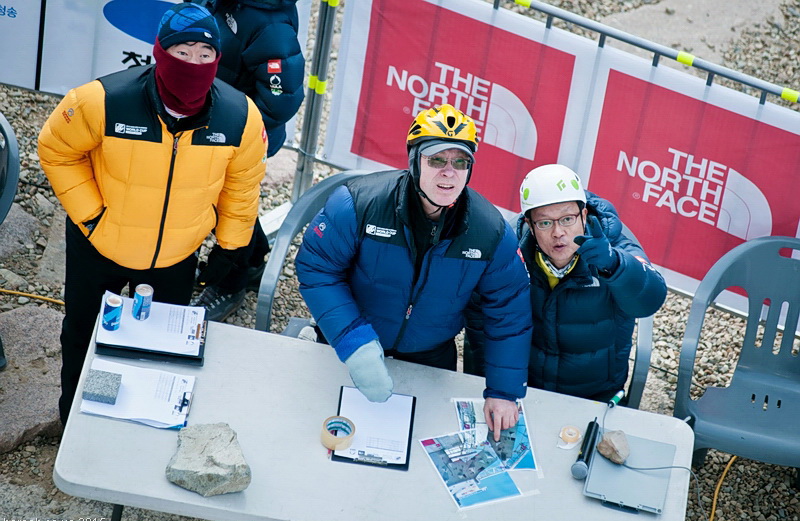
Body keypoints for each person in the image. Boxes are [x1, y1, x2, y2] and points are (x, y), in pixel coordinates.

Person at [38, 2, 267, 424]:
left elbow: (242, 184)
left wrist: (231, 247)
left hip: (175, 258)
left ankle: (139, 422)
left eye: (205, 54)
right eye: (183, 52)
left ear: (217, 60)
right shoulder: (102, 101)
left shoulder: (240, 118)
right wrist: (92, 217)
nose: (194, 63)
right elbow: (56, 150)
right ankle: (78, 421)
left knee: (158, 348)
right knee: (84, 339)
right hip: (98, 247)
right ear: (160, 53)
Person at [295, 104, 532, 440]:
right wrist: (353, 340)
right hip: (351, 338)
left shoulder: (490, 231)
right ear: (414, 161)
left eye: (460, 162)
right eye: (437, 160)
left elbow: (509, 310)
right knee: (318, 435)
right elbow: (317, 268)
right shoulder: (359, 204)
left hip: (430, 352)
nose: (449, 172)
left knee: (415, 451)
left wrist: (504, 391)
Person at [465, 164, 667, 402]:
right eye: (545, 223)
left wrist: (614, 265)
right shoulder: (508, 248)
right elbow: (480, 324)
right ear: (529, 225)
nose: (558, 232)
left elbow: (649, 300)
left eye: (567, 219)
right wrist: (490, 387)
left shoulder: (613, 244)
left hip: (594, 392)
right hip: (523, 387)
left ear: (584, 216)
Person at [190, 0, 305, 321]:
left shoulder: (268, 21)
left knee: (229, 205)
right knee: (221, 201)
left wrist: (231, 132)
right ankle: (253, 262)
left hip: (237, 138)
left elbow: (281, 100)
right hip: (206, 125)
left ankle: (231, 283)